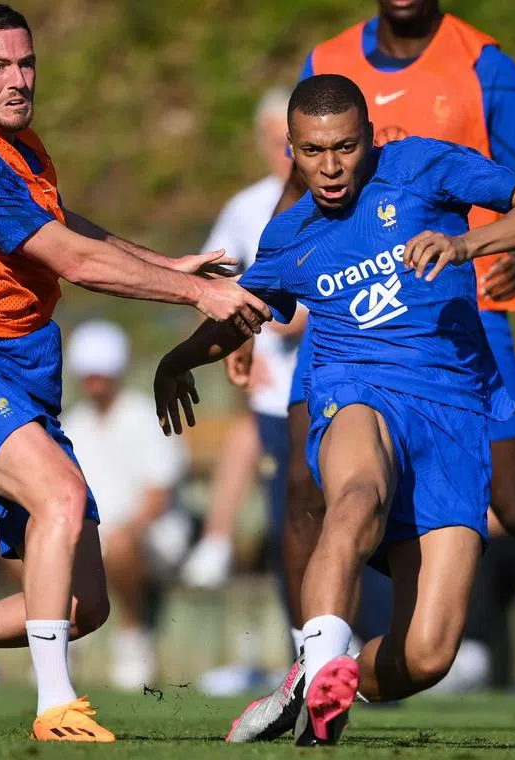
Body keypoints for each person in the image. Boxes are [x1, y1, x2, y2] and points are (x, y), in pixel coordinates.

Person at [155, 74, 515, 746]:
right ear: (291, 150)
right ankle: (319, 670)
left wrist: (468, 244)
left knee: (428, 655)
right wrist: (180, 358)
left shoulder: (424, 167)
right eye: (313, 151)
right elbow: (239, 314)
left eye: (345, 146)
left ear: (371, 138)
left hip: (455, 420)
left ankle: (317, 675)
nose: (331, 166)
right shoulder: (289, 235)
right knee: (357, 496)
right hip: (356, 393)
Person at [0, 3, 269, 742]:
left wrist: (163, 262)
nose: (19, 79)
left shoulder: (20, 150)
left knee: (84, 605)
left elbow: (67, 223)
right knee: (59, 495)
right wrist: (198, 290)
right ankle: (54, 706)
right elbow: (75, 260)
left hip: (18, 371)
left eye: (26, 63)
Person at [183, 87, 307, 594]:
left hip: (333, 375)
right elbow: (213, 279)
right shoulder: (247, 206)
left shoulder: (342, 202)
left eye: (293, 142)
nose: (288, 155)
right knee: (288, 517)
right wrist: (244, 332)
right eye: (278, 143)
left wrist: (306, 314)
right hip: (274, 382)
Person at [61, 320, 188, 690]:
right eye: (89, 374)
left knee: (118, 542)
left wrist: (121, 530)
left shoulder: (146, 415)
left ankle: (133, 637)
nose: (95, 381)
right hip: (93, 533)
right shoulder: (72, 423)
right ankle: (60, 637)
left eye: (102, 373)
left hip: (155, 536)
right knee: (15, 543)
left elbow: (158, 499)